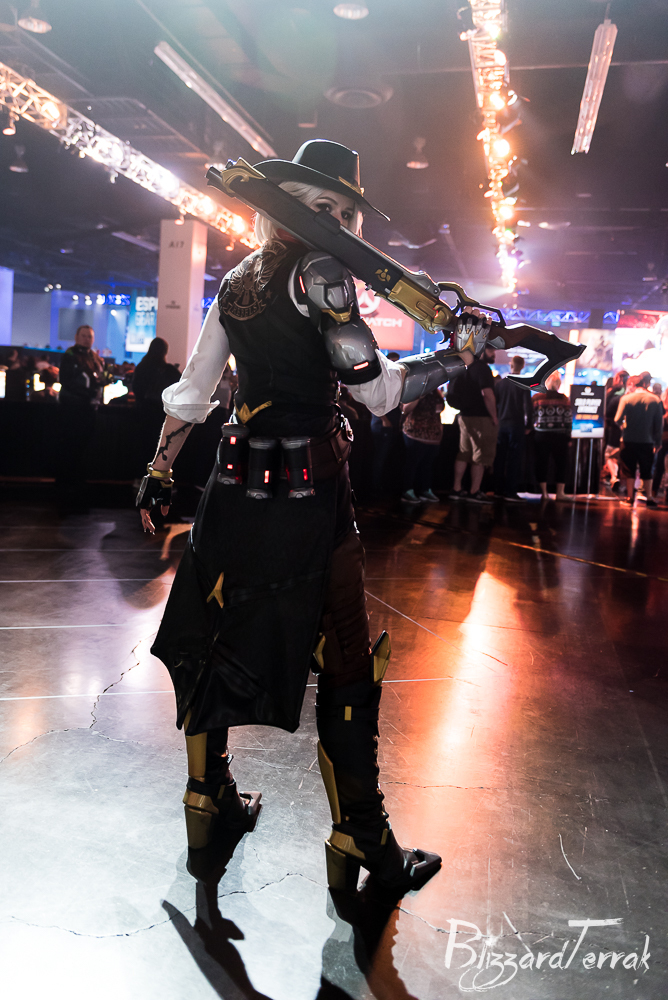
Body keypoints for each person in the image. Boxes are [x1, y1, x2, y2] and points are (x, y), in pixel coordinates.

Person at [136, 140, 463, 895]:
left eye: (346, 212)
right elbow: (378, 393)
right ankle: (362, 837)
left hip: (231, 493)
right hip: (310, 502)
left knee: (214, 635)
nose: (337, 222)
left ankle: (207, 800)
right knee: (344, 661)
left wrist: (158, 469)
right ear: (284, 202)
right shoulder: (323, 274)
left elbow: (195, 393)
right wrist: (457, 358)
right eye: (324, 207)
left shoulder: (238, 279)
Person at [56, 325, 105, 497]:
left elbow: (97, 379)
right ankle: (66, 484)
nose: (86, 339)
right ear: (77, 337)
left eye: (89, 336)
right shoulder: (70, 355)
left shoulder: (95, 357)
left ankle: (77, 483)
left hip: (89, 409)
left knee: (83, 448)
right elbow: (65, 380)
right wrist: (87, 393)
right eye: (84, 336)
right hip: (72, 409)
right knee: (71, 447)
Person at [447, 344, 498, 503]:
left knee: (463, 453)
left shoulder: (462, 368)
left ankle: (456, 489)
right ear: (481, 352)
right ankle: (474, 491)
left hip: (464, 416)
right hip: (481, 418)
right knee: (480, 456)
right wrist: (494, 416)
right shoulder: (482, 369)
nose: (494, 354)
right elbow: (487, 394)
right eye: (491, 350)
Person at [132, 337, 181, 475]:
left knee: (142, 445)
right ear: (165, 351)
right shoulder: (169, 370)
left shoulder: (142, 367)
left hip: (143, 412)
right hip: (161, 414)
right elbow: (180, 388)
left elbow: (136, 389)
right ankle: (156, 476)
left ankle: (139, 476)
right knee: (159, 447)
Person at [615, 371, 663, 508]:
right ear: (644, 384)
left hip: (628, 439)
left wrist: (624, 427)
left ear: (633, 385)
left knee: (629, 469)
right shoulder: (655, 400)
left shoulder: (626, 399)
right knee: (647, 470)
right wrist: (658, 442)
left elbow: (617, 419)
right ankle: (649, 498)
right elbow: (658, 424)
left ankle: (630, 498)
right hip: (647, 440)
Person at [493, 355, 532, 502]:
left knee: (500, 458)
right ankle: (510, 492)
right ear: (522, 366)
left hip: (501, 424)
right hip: (516, 424)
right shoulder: (523, 384)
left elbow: (495, 404)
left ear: (511, 365)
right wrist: (529, 425)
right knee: (514, 459)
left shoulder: (501, 384)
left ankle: (497, 490)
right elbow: (527, 407)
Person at [532, 372, 572, 500]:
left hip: (541, 435)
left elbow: (531, 416)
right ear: (558, 384)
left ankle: (544, 493)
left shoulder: (537, 398)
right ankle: (560, 493)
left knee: (542, 463)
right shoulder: (564, 399)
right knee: (561, 464)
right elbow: (568, 420)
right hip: (560, 436)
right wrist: (569, 437)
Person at [400, 388, 444, 503]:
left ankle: (425, 489)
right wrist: (420, 395)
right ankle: (407, 491)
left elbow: (440, 409)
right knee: (412, 463)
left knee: (427, 464)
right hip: (415, 432)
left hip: (433, 434)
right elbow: (405, 409)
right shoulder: (415, 389)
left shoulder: (435, 391)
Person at [369, 351, 402, 495]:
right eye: (393, 362)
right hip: (382, 424)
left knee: (386, 456)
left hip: (388, 423)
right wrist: (385, 420)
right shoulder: (380, 379)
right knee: (381, 457)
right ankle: (376, 488)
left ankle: (382, 486)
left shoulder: (393, 380)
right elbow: (371, 403)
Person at [603, 369, 628, 492]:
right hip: (627, 431)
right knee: (622, 456)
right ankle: (623, 483)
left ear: (619, 379)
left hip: (614, 429)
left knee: (610, 454)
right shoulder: (629, 395)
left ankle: (614, 477)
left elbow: (606, 410)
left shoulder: (616, 395)